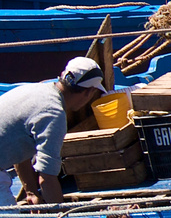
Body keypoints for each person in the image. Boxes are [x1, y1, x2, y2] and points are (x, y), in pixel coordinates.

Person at [0, 57, 106, 205]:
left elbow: (19, 148)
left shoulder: (37, 89)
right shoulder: (53, 113)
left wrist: (31, 192)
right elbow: (46, 178)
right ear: (89, 93)